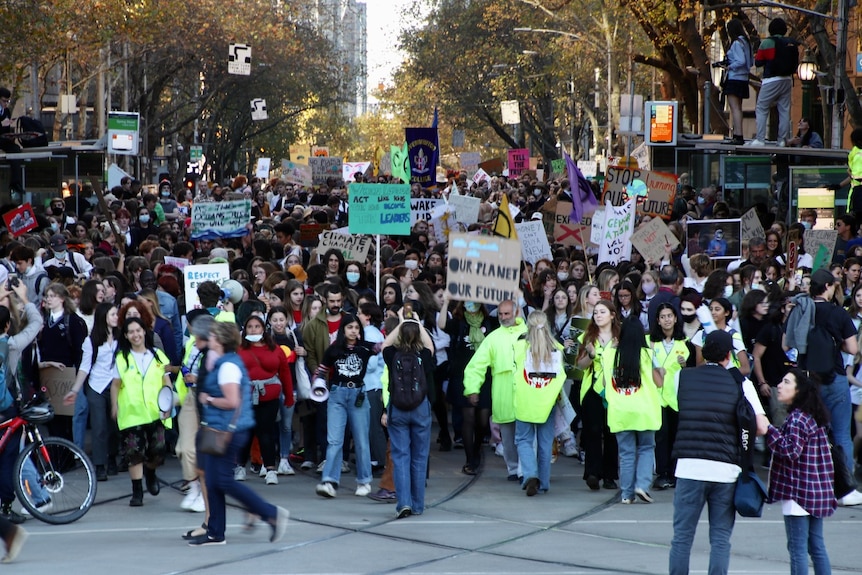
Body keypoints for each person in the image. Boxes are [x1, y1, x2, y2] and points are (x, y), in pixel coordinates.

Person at [668, 330, 768, 575]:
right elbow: (762, 427)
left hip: (689, 466)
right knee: (720, 539)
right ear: (728, 355)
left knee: (682, 538)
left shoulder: (683, 377)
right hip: (726, 469)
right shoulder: (740, 383)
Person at [193, 321, 289, 546]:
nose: (211, 339)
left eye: (215, 336)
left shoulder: (228, 367)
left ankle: (269, 513)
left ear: (222, 341)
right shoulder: (224, 363)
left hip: (228, 431)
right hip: (223, 429)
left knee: (223, 481)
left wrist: (209, 399)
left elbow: (232, 401)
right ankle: (216, 532)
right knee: (216, 481)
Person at [766, 369, 836, 575]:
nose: (779, 385)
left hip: (797, 492)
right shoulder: (812, 417)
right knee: (817, 547)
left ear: (799, 390)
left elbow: (790, 451)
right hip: (816, 492)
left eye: (786, 382)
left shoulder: (797, 419)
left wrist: (768, 430)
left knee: (797, 550)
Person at [312, 313, 375, 498]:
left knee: (361, 440)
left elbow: (385, 346)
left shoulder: (366, 348)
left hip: (358, 394)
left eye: (356, 327)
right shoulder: (333, 349)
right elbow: (321, 371)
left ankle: (364, 481)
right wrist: (316, 384)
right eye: (350, 327)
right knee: (334, 441)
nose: (353, 331)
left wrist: (403, 321)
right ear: (343, 329)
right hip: (337, 394)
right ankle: (329, 481)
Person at [463, 299, 527, 481]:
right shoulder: (493, 337)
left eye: (507, 313)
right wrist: (472, 388)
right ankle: (514, 469)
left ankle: (525, 470)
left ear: (516, 313)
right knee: (507, 436)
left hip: (526, 390)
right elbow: (476, 365)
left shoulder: (530, 333)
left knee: (525, 435)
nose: (503, 317)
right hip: (503, 393)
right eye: (500, 314)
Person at [110, 317, 172, 506]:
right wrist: (114, 405)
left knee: (158, 451)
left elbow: (166, 381)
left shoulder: (158, 355)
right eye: (131, 332)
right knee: (134, 453)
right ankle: (137, 491)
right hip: (132, 412)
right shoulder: (121, 358)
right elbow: (115, 385)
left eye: (138, 330)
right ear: (127, 336)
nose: (135, 334)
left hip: (156, 411)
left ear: (144, 331)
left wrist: (169, 404)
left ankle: (151, 474)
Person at [381, 307, 436, 518]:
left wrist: (402, 322)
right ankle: (418, 505)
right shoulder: (424, 356)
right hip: (420, 408)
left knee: (401, 456)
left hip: (398, 409)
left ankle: (403, 502)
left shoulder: (392, 355)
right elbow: (430, 345)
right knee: (420, 457)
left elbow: (385, 343)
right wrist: (418, 323)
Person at [606, 316, 662, 503]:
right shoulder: (648, 354)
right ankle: (642, 485)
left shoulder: (609, 354)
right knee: (646, 448)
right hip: (645, 410)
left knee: (626, 453)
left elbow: (606, 382)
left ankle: (626, 494)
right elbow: (659, 382)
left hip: (620, 411)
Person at [234, 315, 294, 485]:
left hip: (270, 396)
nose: (253, 330)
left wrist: (289, 397)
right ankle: (239, 466)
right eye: (250, 327)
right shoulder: (239, 350)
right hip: (245, 396)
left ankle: (270, 469)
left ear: (263, 329)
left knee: (265, 432)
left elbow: (285, 374)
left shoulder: (275, 349)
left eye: (257, 326)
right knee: (246, 432)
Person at [64, 303, 120, 481]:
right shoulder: (91, 341)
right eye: (112, 314)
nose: (116, 317)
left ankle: (112, 458)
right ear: (104, 316)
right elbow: (84, 367)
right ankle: (99, 464)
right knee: (99, 425)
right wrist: (75, 389)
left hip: (116, 385)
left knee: (115, 425)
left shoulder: (121, 337)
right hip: (96, 385)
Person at [512, 311, 566, 496]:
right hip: (547, 402)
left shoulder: (519, 346)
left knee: (524, 440)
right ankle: (543, 483)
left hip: (525, 401)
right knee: (544, 444)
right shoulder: (557, 348)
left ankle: (530, 474)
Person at [576, 300, 621, 491]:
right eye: (595, 313)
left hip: (614, 390)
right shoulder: (587, 337)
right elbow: (580, 365)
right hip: (593, 390)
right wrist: (591, 355)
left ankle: (610, 476)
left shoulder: (621, 336)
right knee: (592, 431)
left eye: (602, 312)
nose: (598, 315)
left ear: (612, 315)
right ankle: (592, 473)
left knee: (611, 433)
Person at [748, 18, 794, 146]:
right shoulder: (789, 43)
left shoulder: (767, 43)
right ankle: (782, 140)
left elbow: (758, 62)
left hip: (771, 80)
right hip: (787, 80)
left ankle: (760, 139)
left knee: (762, 108)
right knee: (784, 110)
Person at [721, 19, 753, 145]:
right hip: (743, 78)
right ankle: (738, 134)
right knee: (738, 108)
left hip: (735, 78)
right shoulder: (746, 42)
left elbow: (741, 61)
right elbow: (750, 62)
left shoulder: (736, 43)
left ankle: (738, 135)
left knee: (734, 108)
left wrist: (729, 66)